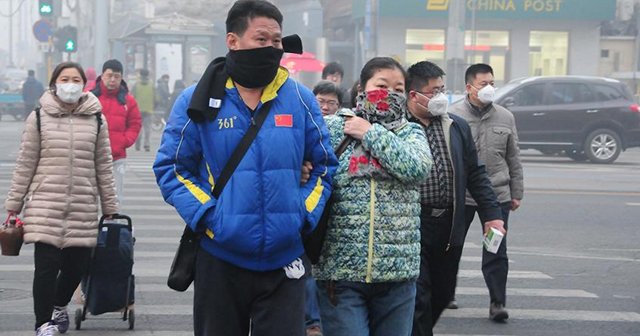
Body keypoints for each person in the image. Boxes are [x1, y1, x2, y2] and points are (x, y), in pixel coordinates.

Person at [153, 1, 338, 335]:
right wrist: (210, 216)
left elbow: (325, 166)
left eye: (277, 41)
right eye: (261, 39)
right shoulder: (196, 100)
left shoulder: (300, 99)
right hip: (220, 256)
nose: (271, 48)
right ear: (233, 41)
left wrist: (303, 212)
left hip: (285, 260)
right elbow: (172, 168)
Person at [313, 57, 433, 336]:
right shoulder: (333, 127)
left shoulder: (410, 132)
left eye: (399, 89)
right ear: (361, 88)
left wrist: (369, 133)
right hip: (340, 273)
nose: (391, 93)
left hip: (397, 275)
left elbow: (417, 168)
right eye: (382, 85)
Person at [4, 62, 118, 336]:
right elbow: (25, 163)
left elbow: (104, 165)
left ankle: (58, 305)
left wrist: (110, 207)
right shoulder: (39, 117)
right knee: (45, 267)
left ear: (84, 84)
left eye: (75, 79)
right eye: (64, 78)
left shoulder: (96, 119)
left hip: (82, 204)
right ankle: (42, 323)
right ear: (54, 83)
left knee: (76, 267)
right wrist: (13, 206)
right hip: (45, 204)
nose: (70, 83)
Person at [405, 61, 505, 336]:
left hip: (449, 225)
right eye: (433, 91)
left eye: (442, 90)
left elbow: (476, 174)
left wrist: (492, 215)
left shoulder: (456, 126)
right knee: (419, 296)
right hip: (412, 225)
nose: (440, 97)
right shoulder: (399, 127)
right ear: (414, 95)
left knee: (443, 293)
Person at [449, 63, 524, 321]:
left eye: (492, 83)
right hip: (462, 195)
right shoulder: (452, 115)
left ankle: (497, 302)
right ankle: (447, 293)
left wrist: (517, 191)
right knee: (451, 246)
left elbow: (513, 157)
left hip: (497, 197)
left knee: (495, 249)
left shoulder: (505, 117)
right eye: (484, 84)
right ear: (469, 87)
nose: (490, 88)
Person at [91, 59, 142, 202]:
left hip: (117, 157)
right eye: (109, 75)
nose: (112, 80)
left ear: (121, 78)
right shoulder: (90, 98)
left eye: (117, 76)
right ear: (102, 76)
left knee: (114, 198)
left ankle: (113, 224)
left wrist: (125, 141)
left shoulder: (128, 101)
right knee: (88, 199)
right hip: (91, 156)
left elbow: (135, 123)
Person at [132, 69, 155, 152]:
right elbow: (156, 97)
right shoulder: (151, 85)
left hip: (138, 110)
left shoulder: (136, 85)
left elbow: (132, 97)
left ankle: (138, 144)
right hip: (149, 109)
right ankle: (147, 144)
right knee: (148, 128)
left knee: (139, 128)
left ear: (140, 74)